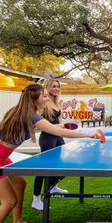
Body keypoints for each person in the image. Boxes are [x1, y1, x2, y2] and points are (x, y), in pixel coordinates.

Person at [0, 84, 105, 223]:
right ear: (35, 99)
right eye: (45, 96)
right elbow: (60, 132)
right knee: (9, 201)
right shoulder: (31, 116)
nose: (47, 99)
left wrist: (59, 127)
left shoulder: (20, 112)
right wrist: (90, 135)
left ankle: (18, 222)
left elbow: (53, 128)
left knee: (20, 183)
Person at [32, 79, 66, 211]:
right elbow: (38, 123)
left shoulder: (56, 102)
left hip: (58, 137)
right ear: (47, 87)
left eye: (58, 86)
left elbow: (56, 122)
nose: (56, 88)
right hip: (48, 139)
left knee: (62, 165)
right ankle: (36, 199)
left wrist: (62, 125)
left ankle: (52, 187)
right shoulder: (45, 103)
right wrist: (56, 126)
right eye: (53, 86)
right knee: (44, 168)